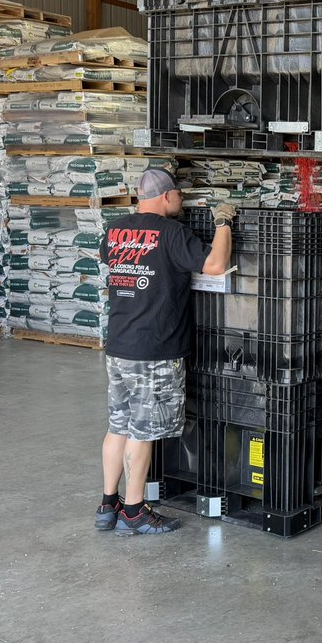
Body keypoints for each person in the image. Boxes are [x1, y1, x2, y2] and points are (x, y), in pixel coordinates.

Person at [95, 169, 234, 535]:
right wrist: (223, 223)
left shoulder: (114, 230)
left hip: (120, 345)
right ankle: (135, 511)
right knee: (143, 431)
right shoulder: (171, 233)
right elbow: (216, 265)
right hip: (154, 348)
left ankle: (108, 504)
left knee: (118, 426)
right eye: (179, 196)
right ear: (167, 196)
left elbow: (119, 264)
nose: (182, 202)